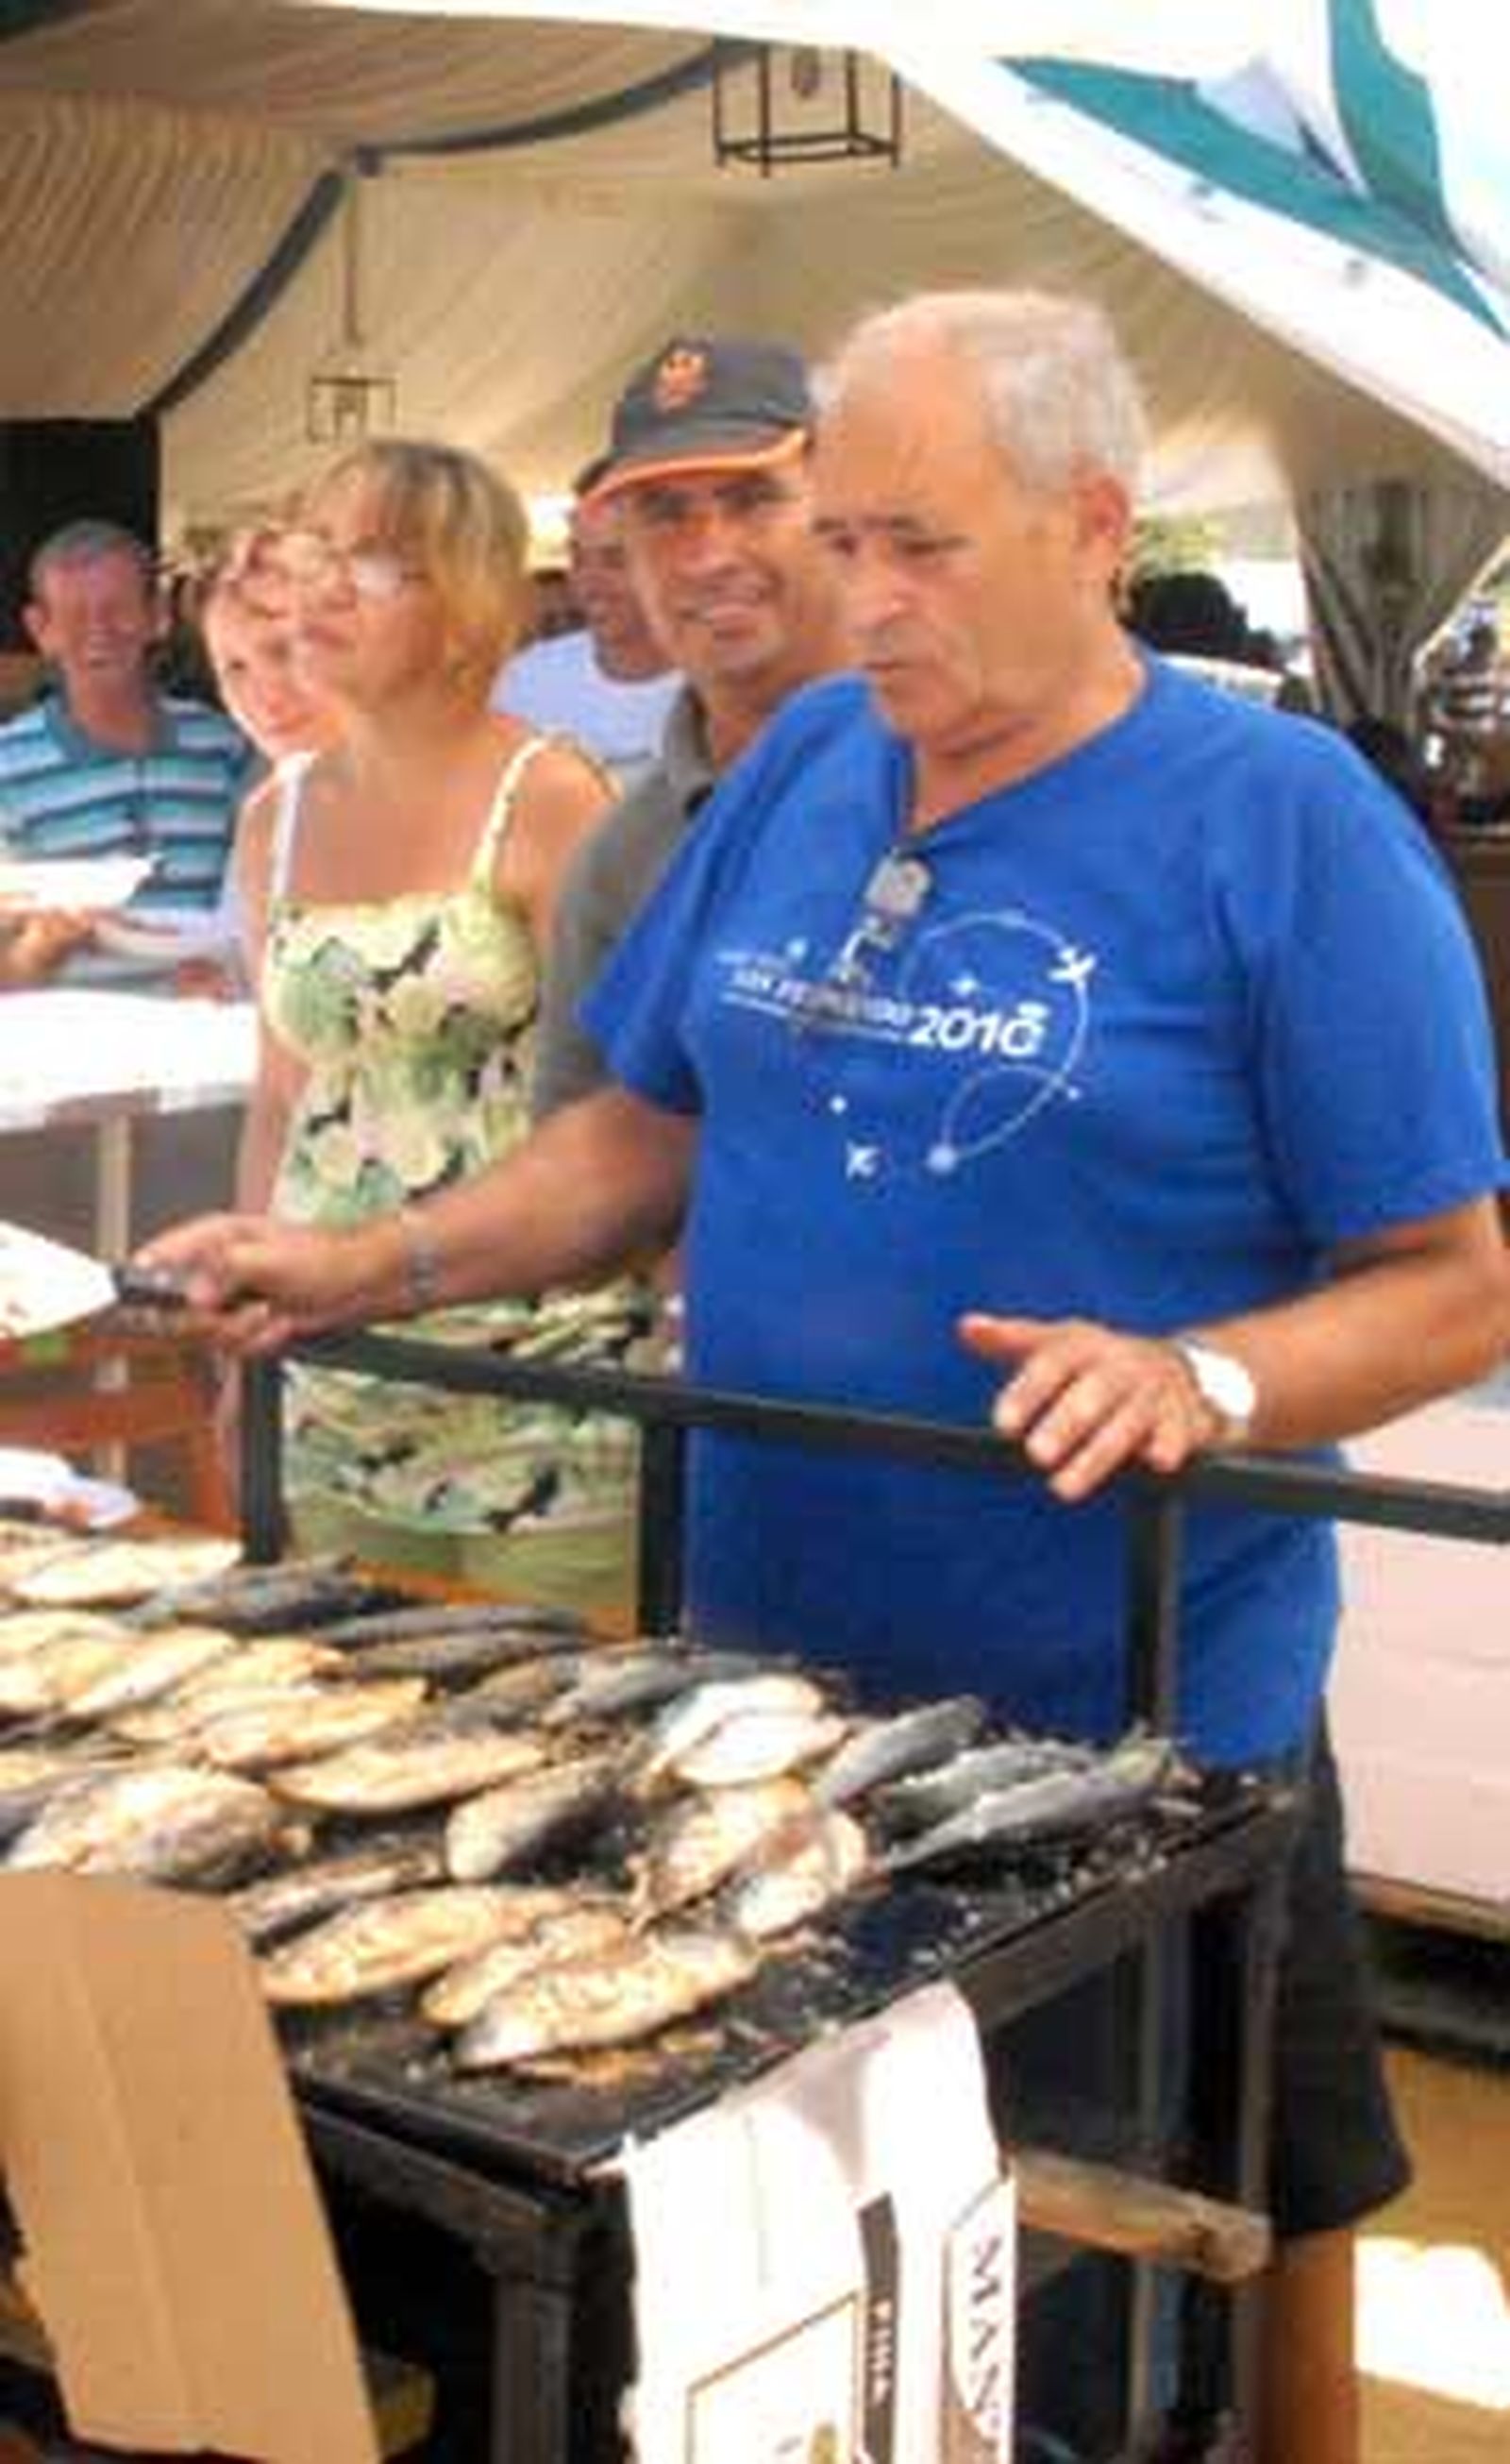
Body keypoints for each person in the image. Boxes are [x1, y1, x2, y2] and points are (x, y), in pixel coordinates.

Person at [144, 293, 1508, 2462]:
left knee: (1065, 2318)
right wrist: (371, 1254)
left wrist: (1202, 1372)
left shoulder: (1280, 819)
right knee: (792, 2295)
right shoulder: (800, 763)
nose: (853, 599)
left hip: (1111, 1728)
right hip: (765, 1692)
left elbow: (1450, 1278)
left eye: (919, 546)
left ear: (1092, 523)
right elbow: (643, 1129)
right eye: (843, 535)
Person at [224, 436, 646, 1606]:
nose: (318, 591)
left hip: (546, 1380)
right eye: (314, 554)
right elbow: (279, 1094)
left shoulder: (556, 799)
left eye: (368, 564)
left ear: (463, 602)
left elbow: (624, 1110)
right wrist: (248, 1334)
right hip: (334, 1372)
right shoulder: (276, 817)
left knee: (554, 1747)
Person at [532, 333, 847, 1120]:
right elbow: (587, 1158)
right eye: (665, 514)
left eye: (752, 500)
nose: (708, 555)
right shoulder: (622, 855)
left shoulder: (969, 768)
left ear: (843, 509)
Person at [0, 520, 251, 969]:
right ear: (41, 629)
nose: (99, 631)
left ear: (158, 614)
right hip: (64, 1033)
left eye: (118, 609)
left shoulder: (225, 748)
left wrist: (232, 972)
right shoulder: (8, 769)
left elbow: (256, 908)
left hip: (208, 1026)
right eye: (74, 615)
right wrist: (42, 943)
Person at [494, 473, 680, 788]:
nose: (589, 584)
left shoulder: (724, 684)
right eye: (578, 558)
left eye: (615, 560)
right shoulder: (522, 683)